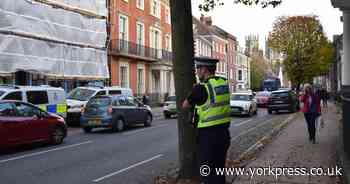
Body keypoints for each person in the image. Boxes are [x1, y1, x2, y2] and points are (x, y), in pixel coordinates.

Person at [182, 57, 231, 184]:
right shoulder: (223, 84)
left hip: (207, 137)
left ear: (204, 70)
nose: (197, 72)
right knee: (219, 170)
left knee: (207, 172)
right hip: (224, 134)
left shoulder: (200, 88)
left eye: (198, 69)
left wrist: (193, 91)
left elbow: (185, 105)